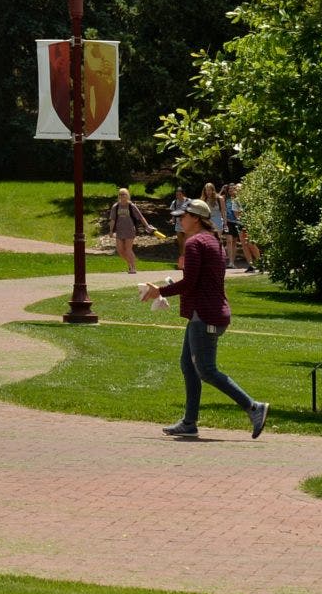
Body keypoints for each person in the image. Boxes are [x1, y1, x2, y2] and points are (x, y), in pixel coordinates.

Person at [140, 198, 267, 439]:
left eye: (183, 217)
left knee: (206, 370)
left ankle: (254, 407)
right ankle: (189, 422)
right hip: (206, 312)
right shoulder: (212, 241)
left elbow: (190, 282)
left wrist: (160, 291)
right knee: (188, 366)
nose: (179, 221)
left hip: (206, 315)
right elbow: (198, 281)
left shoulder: (196, 242)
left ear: (196, 218)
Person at [110, 185, 146, 273]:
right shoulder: (116, 206)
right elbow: (112, 219)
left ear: (127, 195)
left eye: (124, 194)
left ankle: (133, 267)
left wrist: (147, 226)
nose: (122, 196)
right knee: (120, 250)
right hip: (119, 230)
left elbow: (141, 217)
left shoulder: (131, 206)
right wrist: (111, 231)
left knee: (128, 249)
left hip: (130, 229)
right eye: (120, 194)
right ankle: (130, 264)